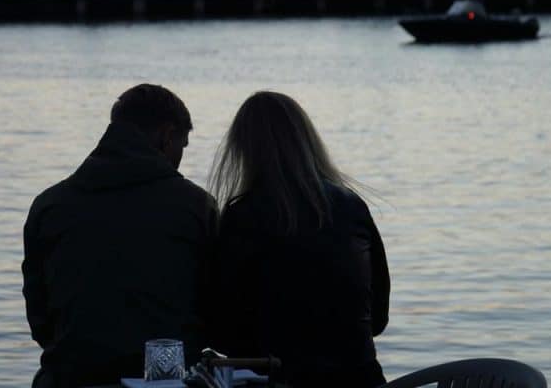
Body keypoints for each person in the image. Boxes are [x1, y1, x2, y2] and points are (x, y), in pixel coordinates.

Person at [22, 84, 219, 388]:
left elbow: (40, 319)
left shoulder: (49, 206)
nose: (180, 157)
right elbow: (216, 309)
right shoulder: (196, 207)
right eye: (183, 145)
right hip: (165, 380)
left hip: (71, 376)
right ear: (167, 135)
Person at [210, 91, 390, 388]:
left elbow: (225, 330)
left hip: (278, 379)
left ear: (244, 149)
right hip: (362, 379)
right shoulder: (352, 205)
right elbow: (378, 319)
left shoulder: (243, 216)